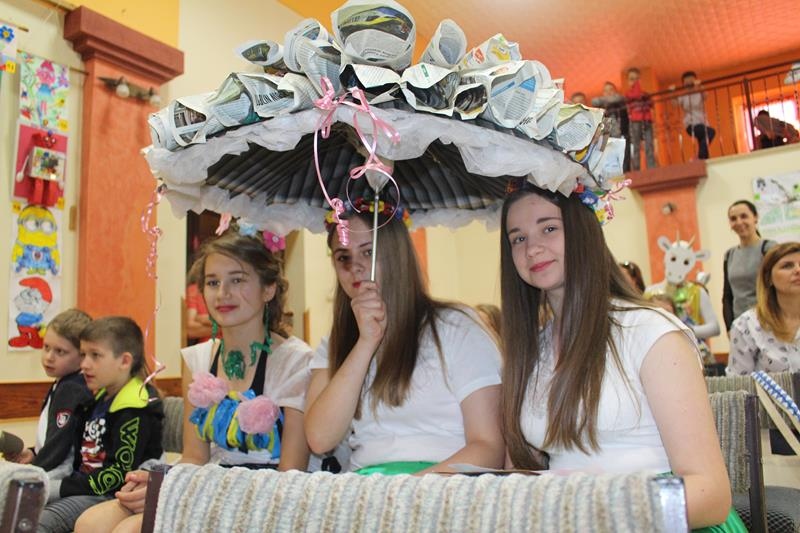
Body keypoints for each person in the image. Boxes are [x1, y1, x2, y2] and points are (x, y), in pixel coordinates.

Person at [500, 183, 738, 530]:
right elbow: (522, 472)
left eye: (549, 228)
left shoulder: (651, 333)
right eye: (518, 238)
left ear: (584, 232)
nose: (532, 248)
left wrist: (592, 514)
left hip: (657, 518)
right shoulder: (531, 350)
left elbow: (711, 493)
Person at [75, 229, 313, 533]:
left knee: (128, 531)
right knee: (90, 523)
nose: (222, 293)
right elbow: (195, 456)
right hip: (207, 482)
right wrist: (162, 484)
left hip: (266, 496)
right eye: (212, 282)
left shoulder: (295, 361)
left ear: (268, 289)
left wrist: (189, 490)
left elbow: (291, 473)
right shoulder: (197, 359)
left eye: (237, 280)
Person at [305, 200, 504, 475]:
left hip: (443, 483)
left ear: (396, 253)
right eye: (343, 257)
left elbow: (489, 447)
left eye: (368, 252)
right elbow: (319, 438)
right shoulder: (334, 342)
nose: (356, 267)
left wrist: (407, 489)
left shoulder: (457, 326)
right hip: (365, 484)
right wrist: (365, 343)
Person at [38, 317, 164, 533]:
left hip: (111, 496)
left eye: (95, 355)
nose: (84, 364)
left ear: (124, 361)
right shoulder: (97, 399)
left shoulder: (136, 406)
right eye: (83, 354)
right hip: (83, 488)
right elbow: (77, 458)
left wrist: (58, 488)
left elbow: (118, 475)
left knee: (39, 523)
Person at [5, 309, 93, 478]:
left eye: (60, 352)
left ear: (82, 355)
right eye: (46, 347)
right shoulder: (64, 382)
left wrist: (31, 472)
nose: (49, 357)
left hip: (61, 477)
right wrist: (34, 454)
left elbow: (58, 449)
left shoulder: (71, 389)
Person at [726, 242, 800, 375]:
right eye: (787, 266)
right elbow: (738, 383)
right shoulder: (746, 325)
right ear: (768, 278)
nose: (798, 270)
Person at [722, 200, 777, 331]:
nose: (739, 222)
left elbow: (778, 289)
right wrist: (729, 327)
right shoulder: (729, 255)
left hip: (768, 323)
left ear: (755, 217)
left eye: (744, 216)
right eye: (733, 219)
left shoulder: (769, 248)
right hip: (740, 326)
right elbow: (727, 295)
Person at [673, 71, 716, 160]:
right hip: (691, 124)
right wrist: (671, 92)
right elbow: (674, 103)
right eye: (686, 83)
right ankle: (699, 157)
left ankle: (703, 159)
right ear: (683, 84)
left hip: (703, 123)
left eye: (691, 82)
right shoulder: (683, 96)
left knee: (703, 141)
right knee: (711, 132)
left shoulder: (699, 92)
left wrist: (699, 86)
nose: (689, 85)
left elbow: (705, 95)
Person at [624, 67, 656, 170]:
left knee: (649, 145)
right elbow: (634, 96)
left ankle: (651, 167)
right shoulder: (627, 94)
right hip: (635, 121)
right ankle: (637, 169)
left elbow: (652, 104)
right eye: (631, 79)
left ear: (640, 80)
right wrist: (637, 88)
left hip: (646, 120)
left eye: (636, 79)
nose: (634, 81)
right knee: (636, 146)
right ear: (628, 81)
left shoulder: (645, 94)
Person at [185, 260, 213, 343]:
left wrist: (200, 318)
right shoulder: (194, 290)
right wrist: (223, 327)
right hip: (206, 348)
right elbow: (190, 329)